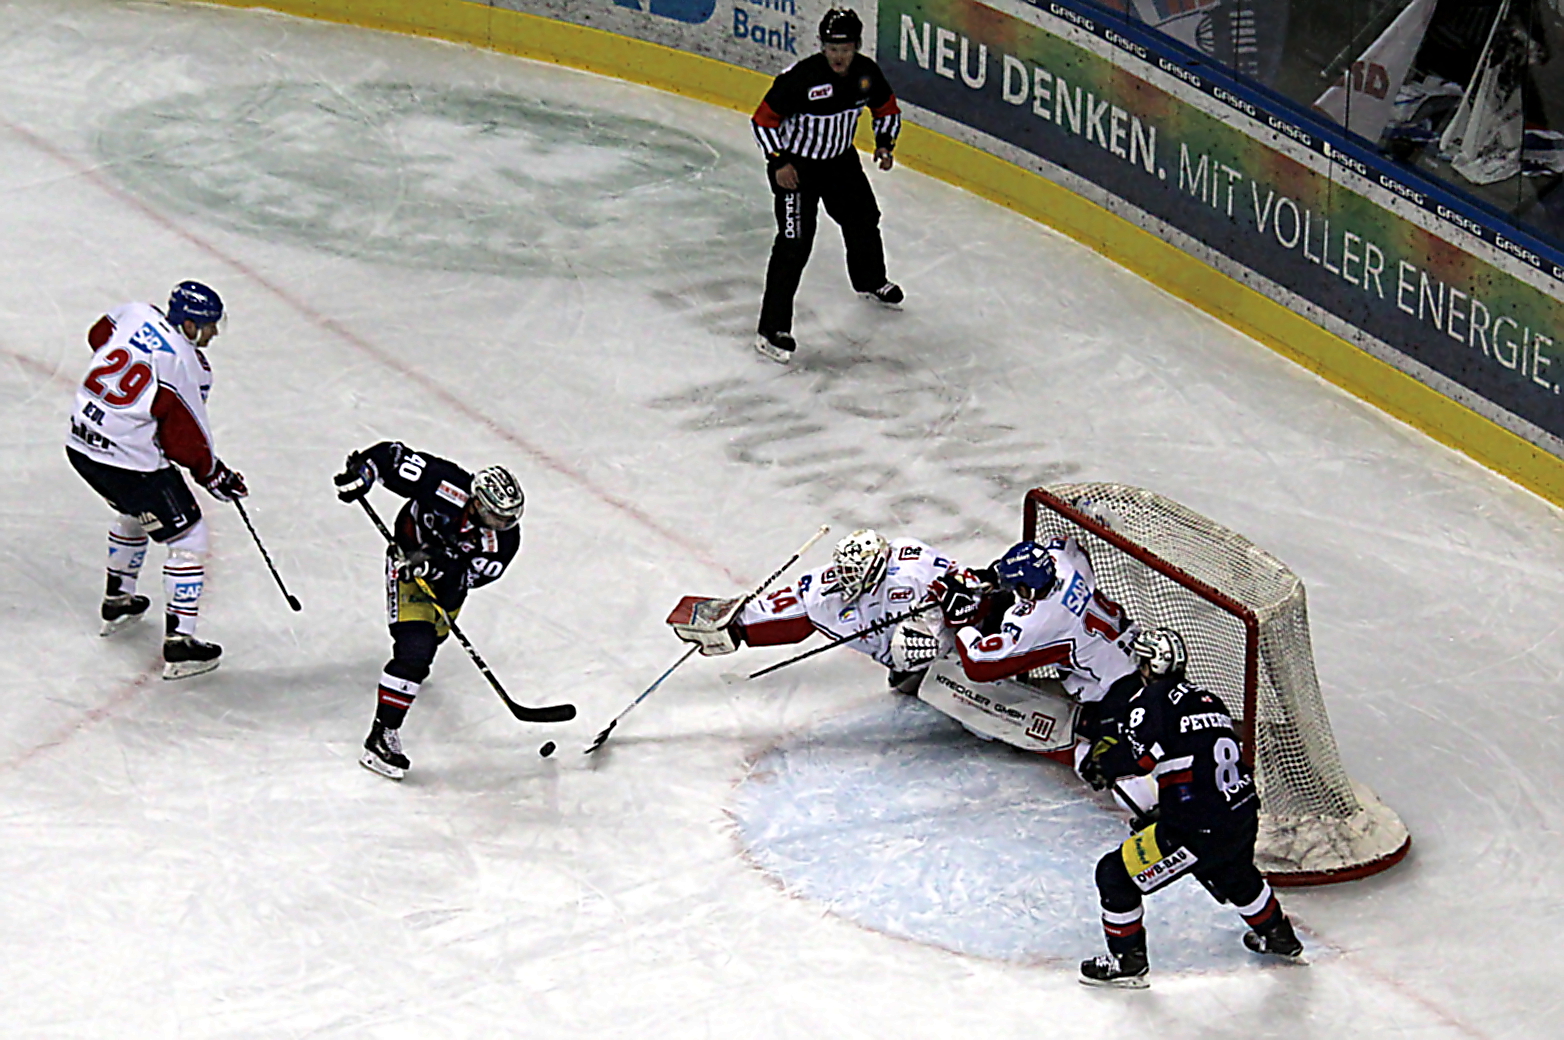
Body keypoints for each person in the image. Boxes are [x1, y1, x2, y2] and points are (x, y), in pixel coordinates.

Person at [1079, 627, 1304, 988]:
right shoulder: (1208, 698)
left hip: (1197, 828)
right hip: (1242, 810)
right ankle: (1280, 937)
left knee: (1114, 874)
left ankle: (1127, 962)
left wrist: (1102, 765)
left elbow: (1138, 761)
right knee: (1236, 871)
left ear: (1149, 665)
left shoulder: (1149, 700)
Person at [65, 280, 247, 680]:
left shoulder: (135, 312)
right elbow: (185, 437)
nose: (213, 333)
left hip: (80, 443)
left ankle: (118, 600)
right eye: (208, 325)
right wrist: (215, 476)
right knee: (189, 537)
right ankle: (180, 646)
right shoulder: (187, 365)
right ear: (189, 324)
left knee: (135, 511)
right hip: (127, 461)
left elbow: (97, 335)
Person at [333, 441, 526, 781]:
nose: (504, 523)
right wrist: (364, 473)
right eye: (497, 515)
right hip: (405, 558)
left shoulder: (503, 543)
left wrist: (435, 565)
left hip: (446, 583)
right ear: (477, 502)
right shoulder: (444, 482)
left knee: (432, 641)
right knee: (415, 650)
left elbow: (466, 579)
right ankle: (382, 736)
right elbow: (390, 456)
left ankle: (406, 679)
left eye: (511, 517)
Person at [751, 8, 904, 363]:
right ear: (822, 47)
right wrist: (778, 162)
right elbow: (762, 121)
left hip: (839, 164)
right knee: (793, 245)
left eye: (846, 48)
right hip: (797, 169)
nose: (838, 55)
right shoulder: (801, 78)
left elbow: (887, 108)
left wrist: (884, 144)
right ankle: (771, 329)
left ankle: (869, 280)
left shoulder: (866, 74)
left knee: (864, 218)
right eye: (832, 48)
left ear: (856, 47)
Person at [668, 529, 969, 694]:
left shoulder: (914, 571)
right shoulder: (829, 589)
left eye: (853, 572)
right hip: (908, 669)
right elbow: (794, 608)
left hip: (951, 637)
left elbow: (965, 588)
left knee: (919, 646)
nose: (844, 578)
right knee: (906, 665)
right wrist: (735, 625)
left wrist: (943, 636)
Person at [949, 538, 1142, 770]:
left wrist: (962, 625)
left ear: (1028, 589)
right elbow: (1066, 545)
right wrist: (995, 577)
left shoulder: (1040, 622)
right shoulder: (1065, 564)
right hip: (1137, 656)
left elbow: (978, 666)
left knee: (1097, 759)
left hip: (1112, 692)